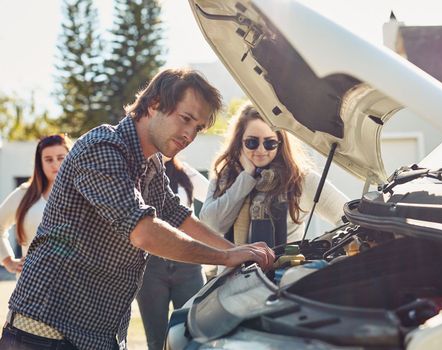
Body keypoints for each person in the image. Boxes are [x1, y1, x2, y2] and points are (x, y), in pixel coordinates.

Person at [0, 69, 274, 350]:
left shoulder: (151, 162)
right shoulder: (102, 147)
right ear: (154, 103)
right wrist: (225, 257)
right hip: (45, 333)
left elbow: (175, 214)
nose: (190, 134)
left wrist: (241, 255)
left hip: (98, 334)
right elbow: (144, 233)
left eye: (198, 128)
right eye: (186, 119)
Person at [200, 103, 349, 247]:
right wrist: (246, 178)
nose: (261, 150)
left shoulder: (300, 180)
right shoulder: (226, 175)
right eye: (252, 142)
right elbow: (211, 225)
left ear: (280, 143)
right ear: (239, 142)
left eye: (269, 143)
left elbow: (351, 218)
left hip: (284, 271)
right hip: (232, 272)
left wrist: (320, 248)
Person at [136, 157, 209, 350]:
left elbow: (214, 198)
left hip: (188, 264)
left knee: (192, 335)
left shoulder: (186, 172)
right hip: (151, 267)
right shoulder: (137, 172)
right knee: (156, 340)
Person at [0, 134, 72, 276]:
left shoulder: (83, 193)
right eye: (48, 159)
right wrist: (8, 261)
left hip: (76, 285)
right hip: (33, 285)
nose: (55, 164)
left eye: (61, 158)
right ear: (40, 163)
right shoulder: (24, 194)